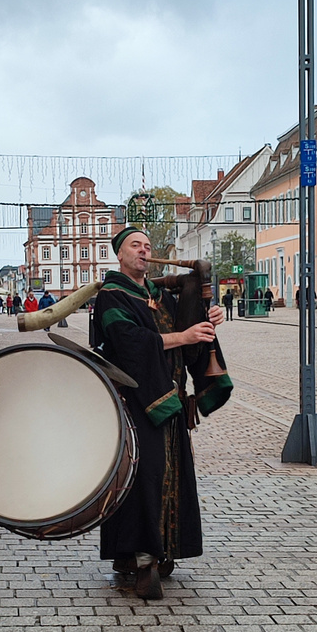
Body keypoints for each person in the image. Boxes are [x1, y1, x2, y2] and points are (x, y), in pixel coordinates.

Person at [93, 226, 224, 601]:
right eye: (135, 245)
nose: (144, 251)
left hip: (170, 399)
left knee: (173, 473)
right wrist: (183, 337)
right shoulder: (112, 295)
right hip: (135, 401)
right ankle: (140, 556)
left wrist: (206, 321)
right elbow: (128, 343)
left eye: (148, 246)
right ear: (119, 254)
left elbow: (186, 342)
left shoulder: (158, 295)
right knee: (142, 474)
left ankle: (163, 548)